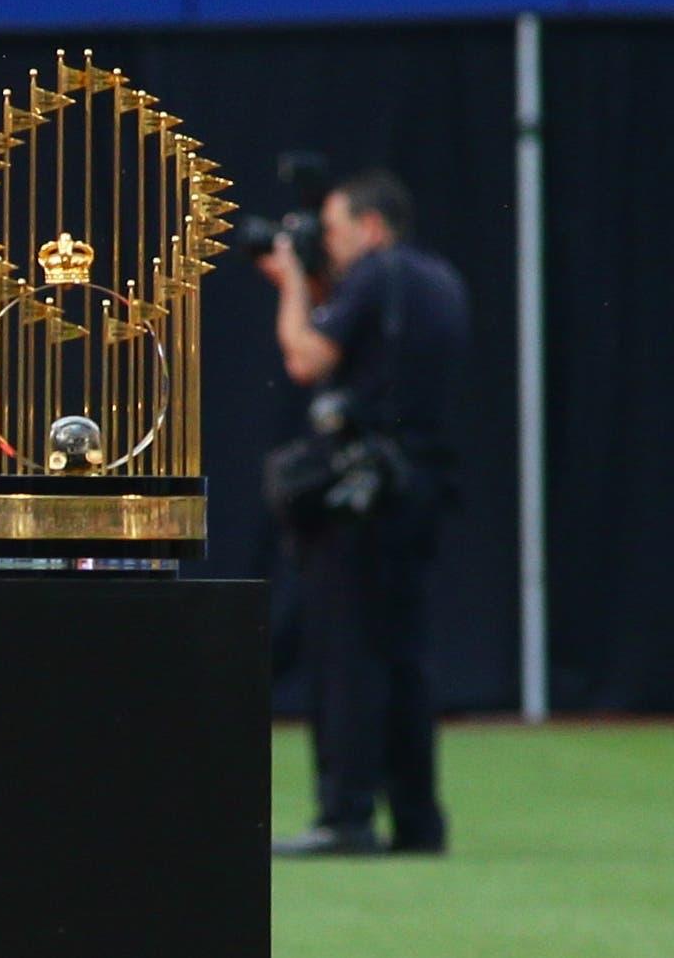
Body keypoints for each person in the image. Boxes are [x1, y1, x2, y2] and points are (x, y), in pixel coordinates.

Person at [259, 170, 468, 857]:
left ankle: (344, 815)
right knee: (404, 657)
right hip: (420, 487)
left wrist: (292, 283)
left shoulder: (376, 276)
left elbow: (307, 357)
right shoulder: (437, 279)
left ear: (372, 227)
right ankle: (417, 820)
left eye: (336, 230)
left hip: (363, 494)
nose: (331, 245)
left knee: (346, 654)